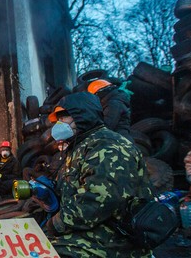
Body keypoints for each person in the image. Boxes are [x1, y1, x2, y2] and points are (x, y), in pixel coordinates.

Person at [45, 92, 153, 257]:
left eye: (63, 118)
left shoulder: (108, 146)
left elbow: (98, 201)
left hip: (117, 238)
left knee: (44, 251)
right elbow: (73, 189)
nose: (59, 124)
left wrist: (57, 223)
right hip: (93, 228)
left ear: (81, 116)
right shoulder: (81, 145)